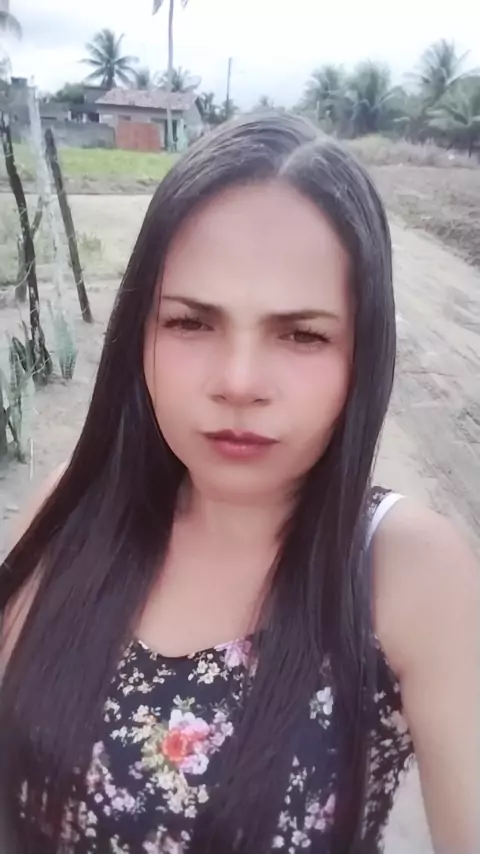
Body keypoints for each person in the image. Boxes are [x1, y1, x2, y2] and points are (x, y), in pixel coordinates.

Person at [0, 115, 478, 854]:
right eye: (192, 323)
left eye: (302, 334)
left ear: (364, 352)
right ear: (140, 331)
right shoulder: (72, 509)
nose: (239, 381)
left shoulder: (407, 571)